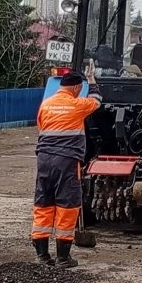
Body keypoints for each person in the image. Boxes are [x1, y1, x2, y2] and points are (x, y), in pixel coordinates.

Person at [31, 67, 102, 268]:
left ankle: (42, 256)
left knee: (43, 204)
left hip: (44, 160)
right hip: (67, 162)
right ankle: (63, 257)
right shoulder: (77, 105)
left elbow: (41, 128)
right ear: (77, 87)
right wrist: (92, 80)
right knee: (67, 206)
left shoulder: (46, 104)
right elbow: (97, 100)